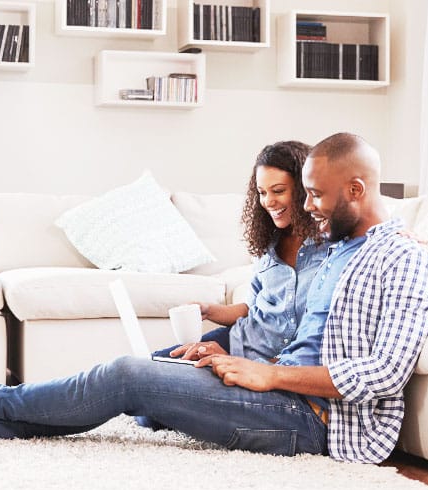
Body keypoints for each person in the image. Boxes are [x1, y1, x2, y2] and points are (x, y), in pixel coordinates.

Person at [0, 132, 428, 463]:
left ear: (354, 191)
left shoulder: (402, 256)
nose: (308, 207)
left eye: (315, 196)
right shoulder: (335, 247)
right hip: (277, 388)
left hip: (314, 419)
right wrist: (243, 356)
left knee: (130, 377)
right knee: (133, 381)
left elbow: (383, 373)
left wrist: (268, 376)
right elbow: (291, 324)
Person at [137, 140, 329, 430]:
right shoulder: (269, 247)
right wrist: (209, 309)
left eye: (278, 191)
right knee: (150, 375)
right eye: (262, 193)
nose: (269, 202)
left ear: (304, 190)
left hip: (271, 363)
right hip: (243, 338)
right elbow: (252, 309)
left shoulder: (331, 247)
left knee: (156, 393)